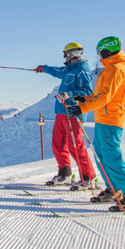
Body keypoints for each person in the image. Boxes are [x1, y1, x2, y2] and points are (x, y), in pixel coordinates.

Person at [66, 36, 125, 211]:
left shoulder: (116, 69)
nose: (99, 56)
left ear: (106, 51)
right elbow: (99, 94)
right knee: (101, 155)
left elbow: (105, 97)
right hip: (103, 119)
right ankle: (114, 188)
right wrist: (84, 99)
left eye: (100, 52)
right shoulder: (110, 69)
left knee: (111, 157)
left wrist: (82, 109)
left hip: (112, 120)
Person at [35, 42, 95, 190]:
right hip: (62, 112)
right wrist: (43, 68)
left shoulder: (82, 70)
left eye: (65, 54)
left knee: (76, 145)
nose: (65, 57)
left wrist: (69, 94)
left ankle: (88, 177)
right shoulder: (69, 69)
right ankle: (65, 174)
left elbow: (87, 92)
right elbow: (57, 71)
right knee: (58, 144)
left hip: (74, 113)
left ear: (69, 54)